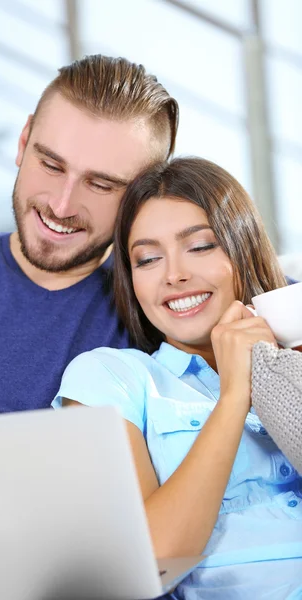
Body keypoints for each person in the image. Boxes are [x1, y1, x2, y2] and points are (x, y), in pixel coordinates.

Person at [53, 157, 302, 599]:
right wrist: (233, 397)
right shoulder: (111, 377)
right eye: (147, 259)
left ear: (242, 249)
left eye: (200, 246)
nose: (174, 275)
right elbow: (151, 563)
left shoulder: (293, 364)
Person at [0, 55, 179, 423]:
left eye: (100, 184)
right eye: (51, 165)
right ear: (23, 142)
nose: (61, 206)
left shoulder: (172, 295)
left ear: (144, 194)